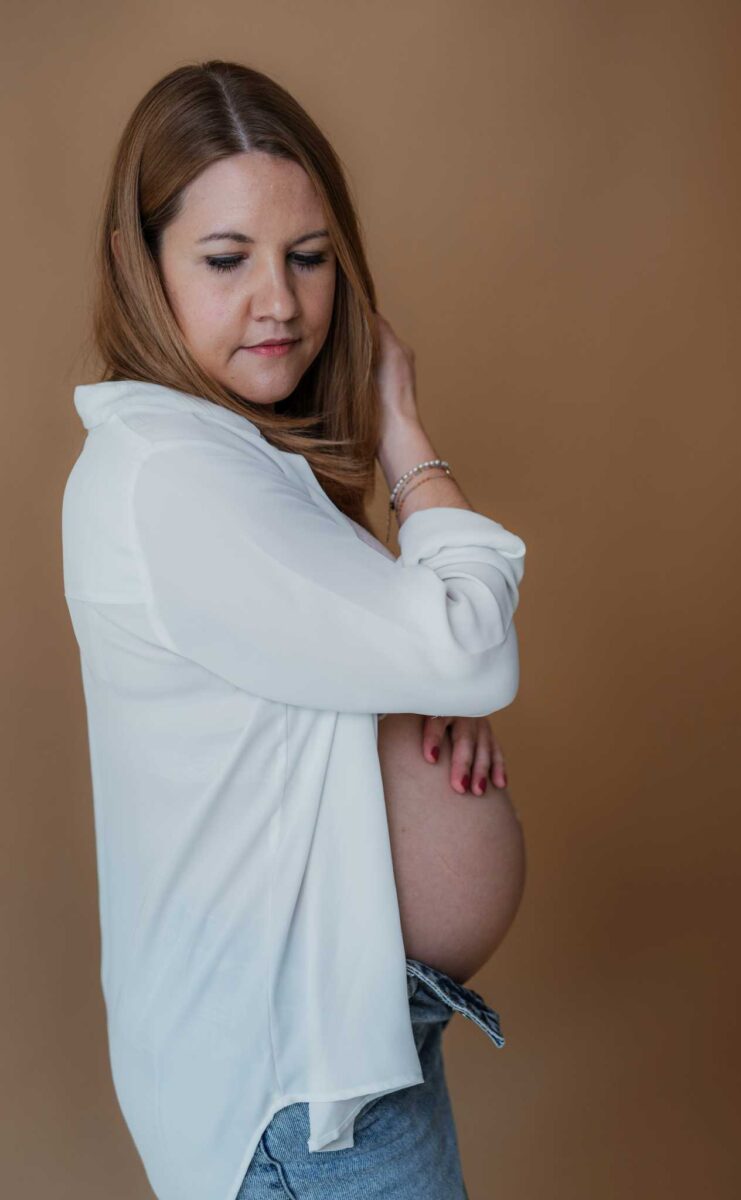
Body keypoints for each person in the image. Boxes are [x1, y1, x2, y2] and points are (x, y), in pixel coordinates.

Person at [61, 60, 527, 1200]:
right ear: (141, 263)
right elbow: (471, 639)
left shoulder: (226, 458)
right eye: (227, 260)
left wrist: (406, 708)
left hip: (338, 1053)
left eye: (309, 258)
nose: (279, 300)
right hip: (299, 1101)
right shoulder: (174, 472)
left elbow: (412, 660)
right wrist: (406, 426)